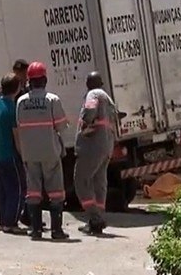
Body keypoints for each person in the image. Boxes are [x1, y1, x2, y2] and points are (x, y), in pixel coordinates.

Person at [16, 62, 70, 240]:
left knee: (33, 191)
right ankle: (56, 230)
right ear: (45, 80)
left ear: (29, 82)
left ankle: (36, 230)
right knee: (55, 191)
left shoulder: (21, 102)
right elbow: (62, 126)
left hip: (30, 153)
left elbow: (19, 125)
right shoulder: (52, 100)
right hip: (50, 151)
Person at [74, 71, 119, 235]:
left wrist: (86, 122)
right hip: (107, 145)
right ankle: (98, 217)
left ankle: (95, 218)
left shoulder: (92, 95)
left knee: (80, 181)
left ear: (88, 83)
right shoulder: (107, 97)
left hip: (92, 146)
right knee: (100, 183)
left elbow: (89, 112)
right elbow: (115, 115)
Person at [0, 73, 27, 235]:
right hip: (10, 155)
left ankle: (3, 221)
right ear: (17, 88)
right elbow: (16, 135)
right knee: (18, 189)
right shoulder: (12, 108)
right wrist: (22, 155)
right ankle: (12, 222)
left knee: (5, 190)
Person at [0, 59, 30, 138]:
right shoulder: (7, 88)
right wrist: (0, 135)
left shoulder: (25, 89)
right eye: (23, 74)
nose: (26, 78)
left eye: (26, 75)